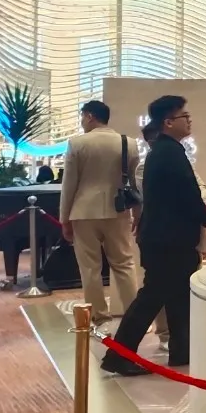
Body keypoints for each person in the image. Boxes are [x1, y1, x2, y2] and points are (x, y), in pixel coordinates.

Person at [103, 95, 206, 375]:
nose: (189, 121)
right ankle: (119, 355)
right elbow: (187, 195)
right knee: (152, 297)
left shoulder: (165, 151)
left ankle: (182, 351)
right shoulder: (169, 153)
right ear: (168, 122)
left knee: (177, 297)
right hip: (169, 241)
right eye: (184, 116)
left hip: (165, 238)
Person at [59, 100, 138, 322]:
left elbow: (69, 184)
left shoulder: (77, 143)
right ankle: (135, 318)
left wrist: (64, 218)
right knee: (124, 264)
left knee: (90, 268)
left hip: (83, 212)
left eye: (82, 116)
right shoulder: (129, 143)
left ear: (90, 116)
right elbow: (135, 183)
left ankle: (99, 316)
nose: (82, 121)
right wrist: (138, 212)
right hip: (119, 211)